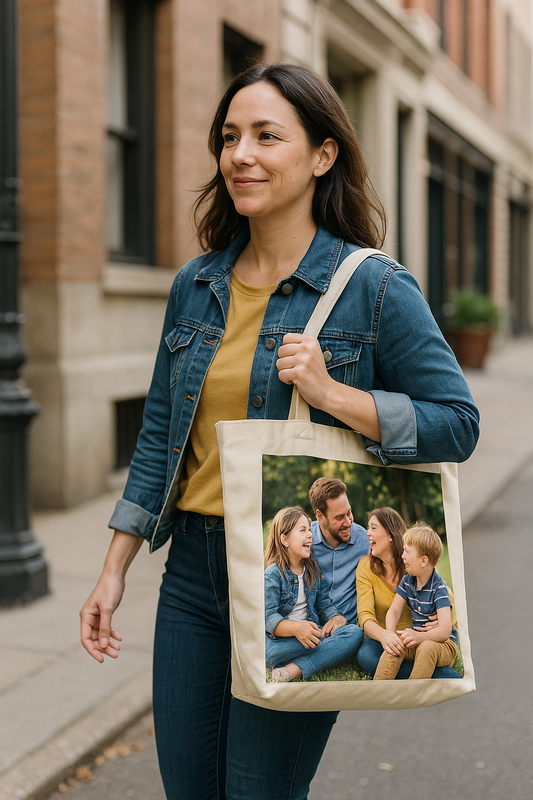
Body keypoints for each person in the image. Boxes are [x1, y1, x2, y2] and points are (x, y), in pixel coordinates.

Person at [79, 61, 478, 800]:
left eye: (267, 136)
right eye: (229, 137)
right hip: (194, 579)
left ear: (322, 155)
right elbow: (162, 433)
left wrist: (333, 393)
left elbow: (456, 423)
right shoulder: (195, 283)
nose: (241, 155)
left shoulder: (374, 286)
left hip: (308, 581)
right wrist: (114, 567)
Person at [356, 508, 460, 679]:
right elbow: (381, 613)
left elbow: (445, 614)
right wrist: (388, 635)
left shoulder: (416, 570)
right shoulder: (406, 577)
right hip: (407, 637)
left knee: (426, 648)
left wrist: (435, 625)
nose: (367, 533)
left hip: (433, 640)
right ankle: (381, 691)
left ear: (390, 534)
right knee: (370, 655)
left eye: (373, 528)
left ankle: (415, 689)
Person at [264, 506, 363, 682]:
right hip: (280, 643)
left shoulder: (313, 569)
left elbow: (323, 604)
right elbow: (268, 618)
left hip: (313, 637)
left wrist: (336, 618)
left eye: (309, 530)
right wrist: (296, 628)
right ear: (284, 539)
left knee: (354, 633)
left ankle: (291, 670)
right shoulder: (273, 574)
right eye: (302, 530)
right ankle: (322, 654)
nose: (310, 534)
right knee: (271, 652)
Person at [309, 477, 369, 624]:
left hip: (351, 627)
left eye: (349, 513)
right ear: (320, 516)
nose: (348, 522)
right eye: (339, 517)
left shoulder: (365, 540)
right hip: (314, 627)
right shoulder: (304, 541)